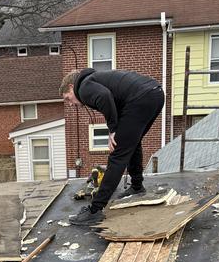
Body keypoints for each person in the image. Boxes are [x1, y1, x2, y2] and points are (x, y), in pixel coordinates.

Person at [60, 68, 165, 225]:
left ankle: (95, 210)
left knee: (117, 155)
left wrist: (113, 130)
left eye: (68, 98)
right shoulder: (96, 79)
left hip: (142, 98)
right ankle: (137, 186)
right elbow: (113, 101)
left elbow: (104, 97)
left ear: (70, 87)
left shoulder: (83, 87)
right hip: (155, 94)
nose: (70, 104)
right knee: (131, 143)